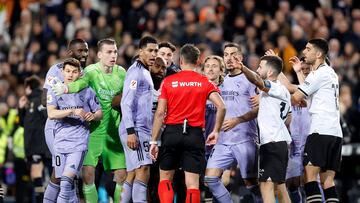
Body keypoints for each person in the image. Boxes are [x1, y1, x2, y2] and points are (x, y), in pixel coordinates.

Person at [51, 38, 127, 203]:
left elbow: (127, 97)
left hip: (114, 130)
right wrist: (65, 88)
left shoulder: (122, 73)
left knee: (122, 175)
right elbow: (79, 84)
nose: (113, 55)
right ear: (100, 54)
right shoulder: (91, 71)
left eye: (115, 51)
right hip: (94, 129)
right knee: (88, 174)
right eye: (109, 52)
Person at [149, 44, 226, 203]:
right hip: (195, 134)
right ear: (198, 61)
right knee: (192, 185)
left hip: (172, 133)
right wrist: (216, 131)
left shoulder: (169, 81)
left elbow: (160, 113)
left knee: (165, 179)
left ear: (181, 60)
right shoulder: (204, 81)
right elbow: (222, 106)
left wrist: (153, 141)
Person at [204, 43, 260, 203]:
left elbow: (258, 110)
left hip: (245, 138)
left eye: (233, 54)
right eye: (226, 54)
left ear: (241, 58)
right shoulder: (221, 82)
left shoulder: (250, 79)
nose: (229, 58)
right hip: (223, 141)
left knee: (251, 183)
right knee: (210, 178)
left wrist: (238, 120)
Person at [291, 38, 343, 203]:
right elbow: (310, 97)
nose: (304, 52)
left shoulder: (318, 73)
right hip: (334, 132)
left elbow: (297, 97)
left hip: (320, 131)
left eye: (308, 49)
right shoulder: (330, 73)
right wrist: (299, 73)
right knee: (327, 181)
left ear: (318, 54)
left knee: (309, 177)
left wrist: (273, 88)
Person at [47, 58, 102, 202]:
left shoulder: (87, 91)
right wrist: (72, 111)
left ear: (79, 74)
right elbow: (51, 113)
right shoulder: (55, 90)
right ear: (62, 72)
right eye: (68, 71)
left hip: (78, 144)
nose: (70, 75)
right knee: (61, 182)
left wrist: (93, 115)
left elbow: (99, 113)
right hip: (59, 143)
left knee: (65, 182)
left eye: (74, 72)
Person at [238, 55, 292, 203]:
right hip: (277, 142)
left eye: (260, 67)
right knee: (279, 188)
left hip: (273, 143)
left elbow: (257, 80)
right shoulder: (282, 91)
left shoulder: (275, 87)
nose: (257, 69)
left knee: (266, 186)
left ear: (269, 73)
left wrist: (242, 68)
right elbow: (289, 118)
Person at [42, 38, 89, 203]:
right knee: (59, 174)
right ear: (70, 53)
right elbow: (44, 100)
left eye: (86, 51)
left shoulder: (84, 73)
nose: (84, 54)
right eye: (80, 51)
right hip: (56, 127)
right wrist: (65, 101)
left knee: (69, 175)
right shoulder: (56, 70)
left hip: (75, 131)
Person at [118, 35, 161, 203]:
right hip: (135, 129)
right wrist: (130, 131)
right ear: (140, 51)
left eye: (155, 51)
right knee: (143, 170)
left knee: (134, 172)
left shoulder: (144, 71)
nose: (153, 54)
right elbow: (126, 102)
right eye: (150, 50)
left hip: (140, 128)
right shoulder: (136, 72)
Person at [18, 75, 51, 203]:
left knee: (37, 174)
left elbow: (48, 117)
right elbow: (23, 124)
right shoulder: (30, 102)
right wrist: (21, 109)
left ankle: (43, 200)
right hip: (34, 147)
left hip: (40, 146)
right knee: (36, 176)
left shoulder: (38, 101)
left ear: (28, 87)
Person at [285, 60, 311, 203]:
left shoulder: (318, 88)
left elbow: (306, 90)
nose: (305, 71)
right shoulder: (295, 92)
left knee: (311, 182)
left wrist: (298, 71)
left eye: (308, 69)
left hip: (311, 143)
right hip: (294, 144)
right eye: (303, 69)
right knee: (292, 183)